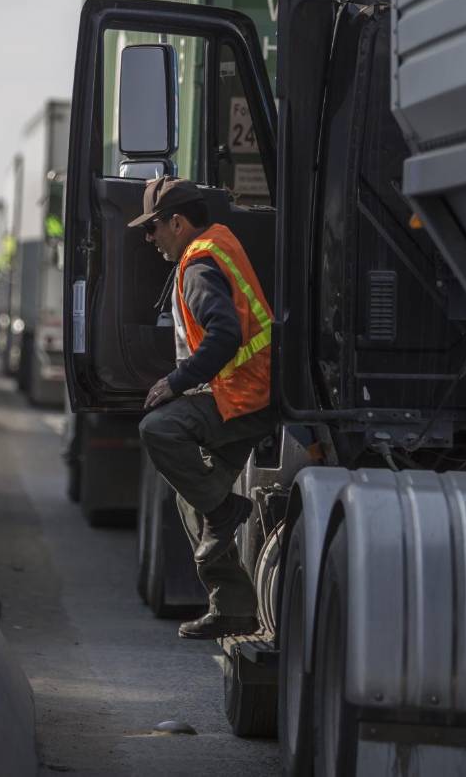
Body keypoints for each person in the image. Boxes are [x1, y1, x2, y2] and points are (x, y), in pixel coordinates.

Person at [133, 176, 275, 640]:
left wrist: (177, 382)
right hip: (248, 393)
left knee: (159, 429)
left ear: (177, 222)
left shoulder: (198, 266)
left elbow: (225, 336)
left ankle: (224, 510)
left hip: (243, 396)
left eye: (152, 228)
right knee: (194, 494)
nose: (149, 239)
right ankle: (232, 607)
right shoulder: (218, 246)